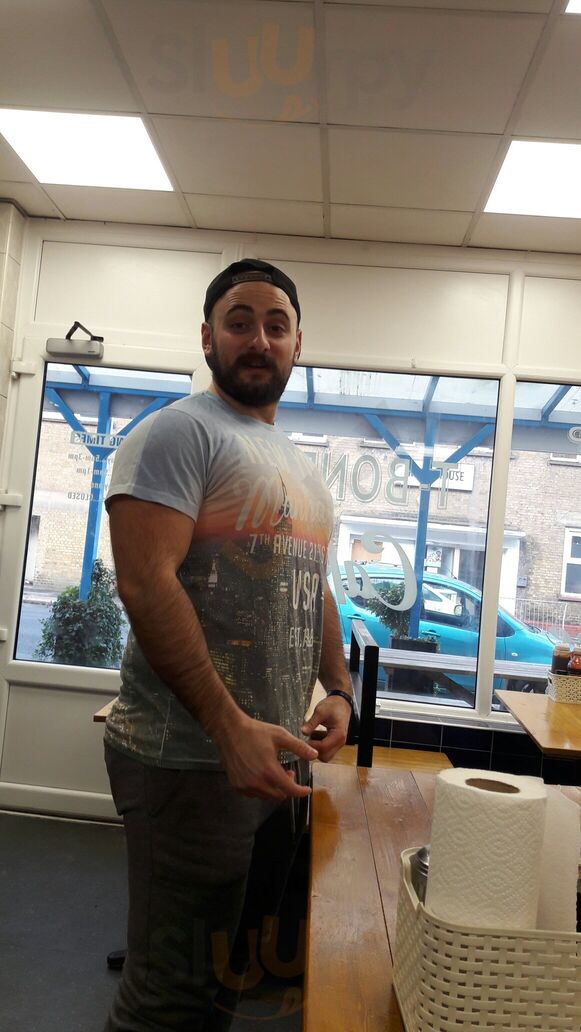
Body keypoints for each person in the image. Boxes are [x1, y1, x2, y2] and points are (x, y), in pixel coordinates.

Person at [102, 258, 353, 1031]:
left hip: (270, 759)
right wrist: (226, 726)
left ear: (297, 344)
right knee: (167, 997)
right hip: (187, 759)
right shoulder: (177, 433)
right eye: (239, 322)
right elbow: (145, 584)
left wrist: (338, 689)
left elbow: (313, 588)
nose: (258, 339)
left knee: (228, 976)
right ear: (207, 338)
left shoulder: (300, 468)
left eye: (275, 325)